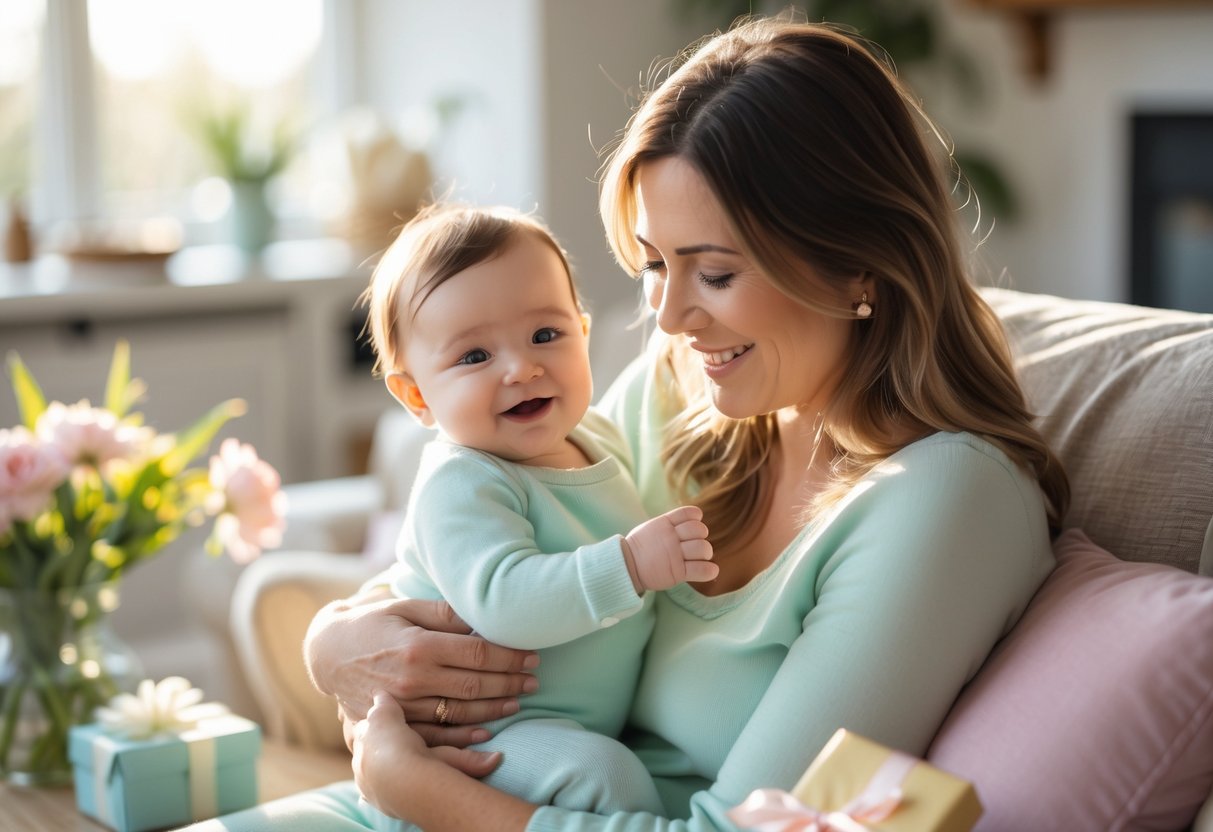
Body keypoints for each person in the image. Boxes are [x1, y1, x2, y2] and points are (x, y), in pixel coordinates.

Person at [192, 14, 1069, 832]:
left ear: (858, 268)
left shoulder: (949, 499)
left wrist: (412, 787)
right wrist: (333, 643)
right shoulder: (681, 396)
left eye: (715, 274)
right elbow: (467, 542)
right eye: (654, 265)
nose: (669, 318)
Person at [359, 203, 717, 828]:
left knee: (609, 766)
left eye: (545, 336)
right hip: (473, 742)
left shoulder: (598, 440)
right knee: (610, 778)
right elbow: (505, 601)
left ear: (582, 330)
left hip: (554, 730)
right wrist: (629, 564)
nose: (521, 368)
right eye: (474, 356)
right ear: (416, 394)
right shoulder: (461, 480)